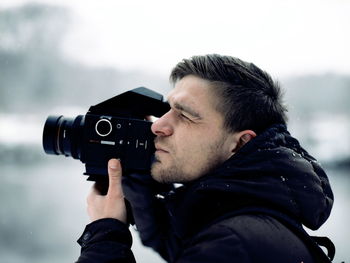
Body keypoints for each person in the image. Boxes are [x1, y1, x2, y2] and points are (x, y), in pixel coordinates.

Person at [75, 54, 334, 263]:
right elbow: (174, 242)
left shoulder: (231, 245)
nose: (157, 126)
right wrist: (138, 173)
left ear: (240, 143)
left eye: (185, 114)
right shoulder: (247, 219)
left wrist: (105, 235)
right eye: (167, 110)